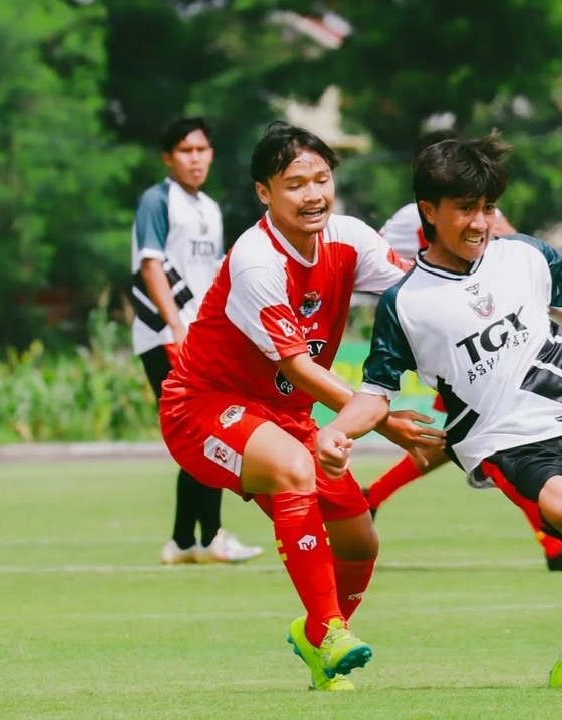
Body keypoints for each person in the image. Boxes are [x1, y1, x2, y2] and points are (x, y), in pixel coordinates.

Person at [315, 132, 562, 694]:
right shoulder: (404, 304)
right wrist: (339, 430)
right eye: (465, 209)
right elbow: (376, 391)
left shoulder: (526, 256)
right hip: (503, 441)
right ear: (428, 212)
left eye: (486, 208)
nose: (480, 222)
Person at [158, 121, 445, 691]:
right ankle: (332, 628)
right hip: (204, 408)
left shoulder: (350, 238)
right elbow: (299, 367)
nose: (314, 194)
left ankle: (318, 644)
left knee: (360, 540)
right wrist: (384, 422)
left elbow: (416, 299)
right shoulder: (256, 258)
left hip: (283, 416)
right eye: (295, 184)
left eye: (322, 179)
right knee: (293, 466)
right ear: (264, 192)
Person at [362, 131, 562, 572]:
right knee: (496, 439)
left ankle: (371, 497)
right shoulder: (426, 214)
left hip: (466, 328)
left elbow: (511, 247)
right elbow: (368, 262)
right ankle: (553, 539)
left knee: (463, 441)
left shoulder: (469, 207)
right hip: (442, 333)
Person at [129, 116, 263, 565]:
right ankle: (209, 537)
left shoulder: (208, 207)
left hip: (201, 336)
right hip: (168, 335)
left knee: (204, 434)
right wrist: (178, 328)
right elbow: (151, 266)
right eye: (186, 151)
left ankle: (188, 541)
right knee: (207, 431)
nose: (196, 158)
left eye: (202, 150)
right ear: (168, 157)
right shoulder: (157, 200)